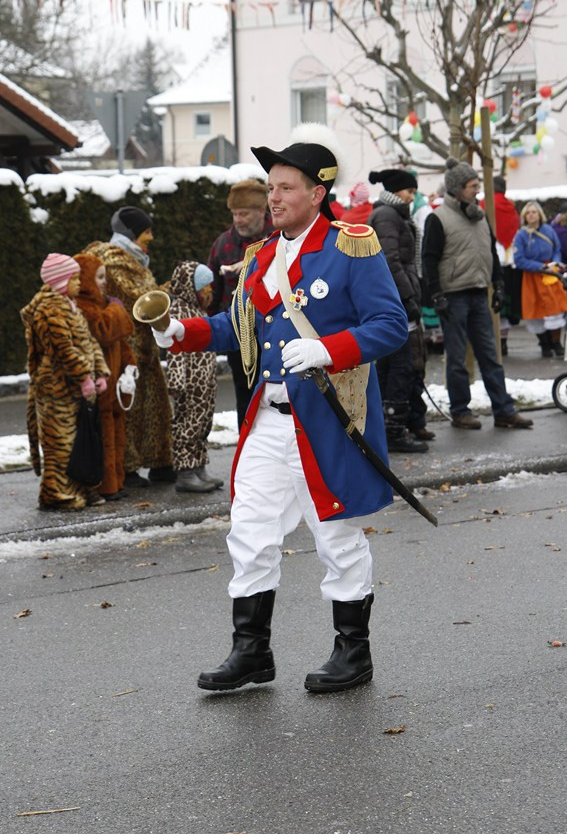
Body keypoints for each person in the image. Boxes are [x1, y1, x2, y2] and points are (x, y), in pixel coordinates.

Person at [152, 123, 409, 694]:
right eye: (270, 186)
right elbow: (235, 327)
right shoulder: (261, 256)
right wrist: (179, 331)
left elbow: (391, 325)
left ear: (317, 193)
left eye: (285, 187)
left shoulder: (350, 247)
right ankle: (252, 653)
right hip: (267, 421)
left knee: (336, 536)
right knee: (249, 531)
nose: (272, 197)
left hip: (326, 422)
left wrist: (328, 349)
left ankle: (353, 653)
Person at [422, 158, 533, 431]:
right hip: (454, 297)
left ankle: (504, 410)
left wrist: (498, 285)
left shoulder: (480, 215)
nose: (477, 191)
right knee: (457, 359)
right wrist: (437, 295)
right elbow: (429, 259)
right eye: (472, 186)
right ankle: (460, 410)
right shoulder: (438, 218)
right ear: (457, 188)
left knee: (491, 357)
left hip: (479, 293)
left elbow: (491, 252)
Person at [84, 207, 174, 489]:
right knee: (130, 408)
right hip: (124, 349)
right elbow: (137, 299)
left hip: (144, 348)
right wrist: (168, 289)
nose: (151, 237)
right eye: (146, 232)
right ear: (132, 234)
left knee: (153, 406)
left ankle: (159, 462)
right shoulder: (112, 262)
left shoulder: (134, 259)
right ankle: (129, 468)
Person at [21, 253, 109, 511]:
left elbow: (88, 341)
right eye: (73, 278)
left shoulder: (70, 305)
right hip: (56, 388)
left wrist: (100, 371)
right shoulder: (49, 309)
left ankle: (79, 486)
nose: (79, 283)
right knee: (59, 443)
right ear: (60, 282)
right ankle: (55, 492)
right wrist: (83, 375)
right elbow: (63, 349)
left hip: (75, 388)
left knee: (78, 441)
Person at [368, 168, 429, 452]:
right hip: (394, 302)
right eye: (409, 191)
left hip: (395, 298)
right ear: (396, 190)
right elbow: (391, 262)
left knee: (395, 365)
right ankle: (393, 431)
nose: (412, 196)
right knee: (399, 366)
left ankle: (396, 425)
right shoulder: (387, 216)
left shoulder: (391, 214)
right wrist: (408, 299)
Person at [207, 179, 273, 429]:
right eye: (235, 214)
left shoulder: (280, 236)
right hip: (238, 336)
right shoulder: (222, 244)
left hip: (276, 332)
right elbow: (212, 292)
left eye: (243, 213)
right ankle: (247, 445)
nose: (238, 220)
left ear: (260, 210)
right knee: (244, 395)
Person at [73, 253, 138, 502]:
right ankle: (106, 485)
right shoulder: (83, 306)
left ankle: (116, 481)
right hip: (99, 387)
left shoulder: (103, 303)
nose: (103, 282)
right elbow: (104, 329)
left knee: (118, 436)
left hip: (115, 385)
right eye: (98, 277)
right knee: (104, 438)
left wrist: (129, 367)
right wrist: (117, 309)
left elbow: (121, 341)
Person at [166, 261, 222, 494]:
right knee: (187, 425)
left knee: (202, 424)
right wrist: (177, 381)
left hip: (203, 383)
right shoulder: (177, 311)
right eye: (204, 288)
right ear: (191, 288)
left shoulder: (198, 309)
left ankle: (198, 465)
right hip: (189, 384)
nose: (209, 292)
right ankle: (185, 472)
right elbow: (174, 349)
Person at [513, 201, 567, 358]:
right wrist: (539, 266)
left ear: (539, 214)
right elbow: (519, 259)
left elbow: (557, 249)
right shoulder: (521, 235)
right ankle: (544, 344)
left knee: (555, 309)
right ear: (524, 216)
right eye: (528, 212)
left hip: (550, 275)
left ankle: (556, 343)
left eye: (534, 212)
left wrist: (554, 264)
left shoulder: (548, 231)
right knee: (535, 312)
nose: (531, 215)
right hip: (532, 276)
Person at [492, 175, 521, 356]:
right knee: (506, 303)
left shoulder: (486, 203)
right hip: (509, 257)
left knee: (493, 304)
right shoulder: (511, 207)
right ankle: (504, 342)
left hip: (494, 256)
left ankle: (496, 342)